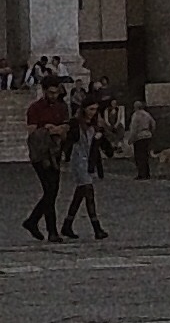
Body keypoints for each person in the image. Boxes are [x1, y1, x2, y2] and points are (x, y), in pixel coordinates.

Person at [23, 78, 71, 242]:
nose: (54, 95)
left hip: (55, 153)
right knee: (50, 190)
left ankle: (33, 221)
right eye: (50, 92)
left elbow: (66, 126)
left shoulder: (61, 106)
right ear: (43, 91)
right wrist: (48, 130)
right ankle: (51, 230)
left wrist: (58, 129)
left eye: (56, 92)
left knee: (53, 190)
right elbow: (31, 132)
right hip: (40, 154)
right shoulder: (34, 108)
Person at [62, 99, 112, 242]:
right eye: (91, 109)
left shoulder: (96, 126)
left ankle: (67, 224)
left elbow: (102, 143)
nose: (93, 113)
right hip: (78, 160)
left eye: (95, 109)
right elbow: (69, 140)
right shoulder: (76, 124)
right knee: (88, 192)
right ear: (84, 109)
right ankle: (96, 227)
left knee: (80, 194)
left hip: (89, 162)